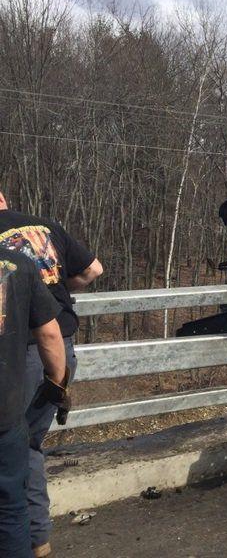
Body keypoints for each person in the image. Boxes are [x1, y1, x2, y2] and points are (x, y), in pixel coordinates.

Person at [0, 192, 102, 558]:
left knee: (16, 444)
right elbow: (94, 270)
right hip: (62, 346)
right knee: (27, 444)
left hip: (21, 350)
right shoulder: (46, 226)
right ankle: (37, 539)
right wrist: (55, 294)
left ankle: (31, 539)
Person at [0, 248, 69, 557]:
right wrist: (58, 383)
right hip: (5, 413)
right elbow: (51, 335)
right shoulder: (20, 264)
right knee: (11, 509)